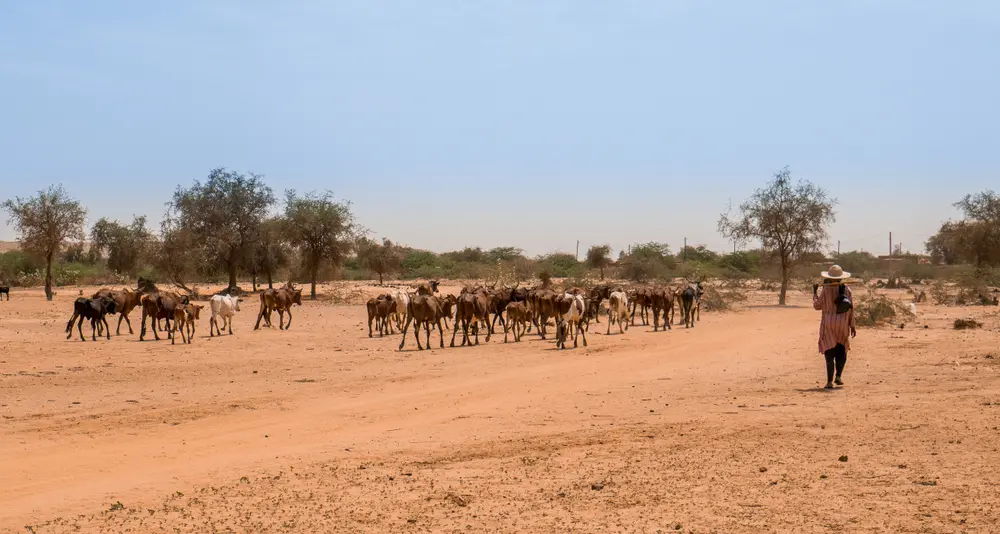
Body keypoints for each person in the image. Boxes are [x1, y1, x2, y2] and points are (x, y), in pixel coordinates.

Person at [812, 264, 856, 389]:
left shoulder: (826, 290)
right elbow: (851, 309)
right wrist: (852, 325)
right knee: (842, 349)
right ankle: (839, 376)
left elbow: (817, 306)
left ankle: (829, 381)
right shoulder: (847, 290)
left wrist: (814, 293)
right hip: (842, 324)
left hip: (828, 325)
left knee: (829, 352)